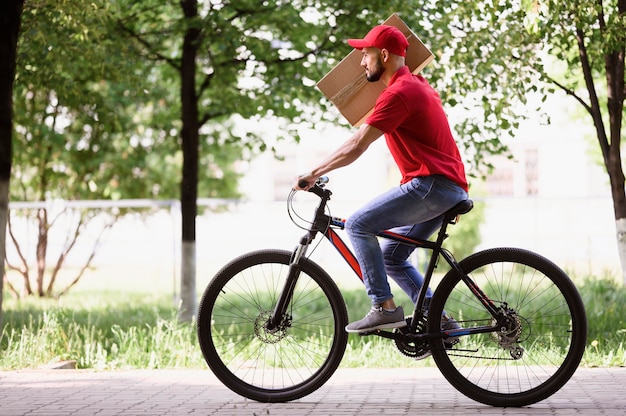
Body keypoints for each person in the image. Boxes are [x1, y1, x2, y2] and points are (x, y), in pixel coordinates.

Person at [295, 24, 469, 335]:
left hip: (432, 185)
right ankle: (440, 322)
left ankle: (383, 308)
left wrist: (313, 173)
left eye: (365, 55)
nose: (361, 62)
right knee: (392, 256)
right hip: (445, 187)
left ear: (384, 55)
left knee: (359, 224)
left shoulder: (399, 94)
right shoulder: (416, 84)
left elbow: (356, 146)